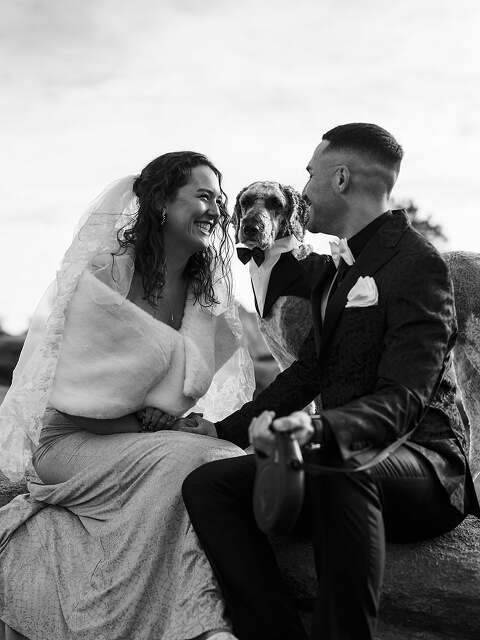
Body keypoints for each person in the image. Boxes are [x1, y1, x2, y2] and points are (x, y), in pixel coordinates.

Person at [182, 124, 480, 640]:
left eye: (310, 174)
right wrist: (223, 431)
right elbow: (310, 372)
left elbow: (405, 397)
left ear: (340, 178)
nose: (305, 188)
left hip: (424, 462)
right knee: (209, 487)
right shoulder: (337, 268)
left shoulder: (418, 264)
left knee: (337, 466)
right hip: (334, 456)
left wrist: (318, 430)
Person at [0, 151, 255, 640]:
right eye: (203, 196)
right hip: (71, 440)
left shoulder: (203, 290)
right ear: (161, 203)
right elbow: (76, 393)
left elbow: (179, 387)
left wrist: (166, 421)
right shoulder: (108, 271)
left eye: (220, 200)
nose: (217, 210)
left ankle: (196, 620)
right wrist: (150, 422)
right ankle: (201, 627)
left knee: (223, 460)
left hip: (140, 442)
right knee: (202, 462)